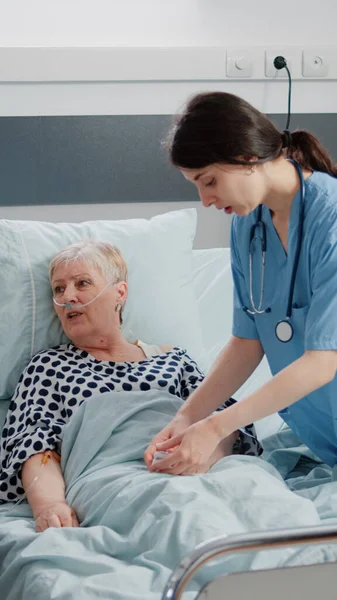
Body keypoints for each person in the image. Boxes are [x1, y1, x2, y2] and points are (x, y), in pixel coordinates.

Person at [0, 239, 261, 532]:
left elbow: (225, 419)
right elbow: (34, 445)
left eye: (82, 283)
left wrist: (201, 460)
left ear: (119, 293)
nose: (67, 297)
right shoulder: (47, 366)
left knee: (259, 502)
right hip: (113, 478)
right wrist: (50, 505)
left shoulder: (174, 359)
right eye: (58, 289)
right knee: (179, 517)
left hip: (200, 468)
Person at [144, 91, 337, 476]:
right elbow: (247, 342)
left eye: (209, 180)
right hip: (325, 440)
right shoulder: (248, 226)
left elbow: (322, 362)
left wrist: (216, 425)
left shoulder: (330, 219)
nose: (205, 199)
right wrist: (186, 418)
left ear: (247, 156)